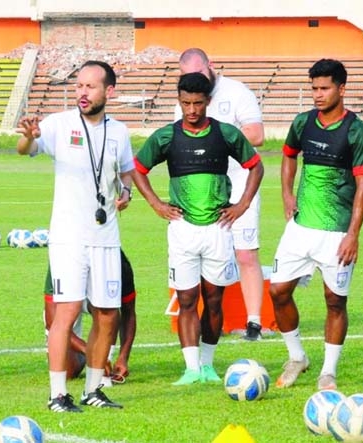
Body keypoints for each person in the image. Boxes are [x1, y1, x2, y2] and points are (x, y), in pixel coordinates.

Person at [16, 60, 135, 412]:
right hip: (68, 236)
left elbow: (126, 172)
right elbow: (26, 150)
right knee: (65, 312)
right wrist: (28, 136)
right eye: (79, 86)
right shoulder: (58, 124)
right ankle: (57, 395)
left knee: (107, 314)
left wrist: (126, 193)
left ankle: (94, 389)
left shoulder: (119, 132)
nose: (82, 92)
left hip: (106, 235)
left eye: (90, 86)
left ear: (108, 91)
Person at [134, 72, 264, 386]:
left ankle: (207, 365)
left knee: (214, 300)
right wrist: (156, 204)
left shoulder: (227, 134)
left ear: (208, 102)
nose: (191, 109)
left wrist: (242, 204)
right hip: (181, 230)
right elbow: (138, 169)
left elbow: (256, 165)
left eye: (197, 103)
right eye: (185, 103)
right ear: (179, 102)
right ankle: (191, 368)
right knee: (187, 298)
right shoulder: (166, 136)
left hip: (218, 229)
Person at [270, 59, 363, 391]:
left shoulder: (358, 132)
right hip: (300, 229)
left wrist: (353, 235)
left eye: (324, 88)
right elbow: (288, 156)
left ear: (341, 89)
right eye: (313, 88)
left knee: (334, 301)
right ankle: (297, 356)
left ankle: (328, 371)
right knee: (278, 291)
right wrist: (287, 193)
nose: (317, 94)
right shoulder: (302, 123)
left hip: (336, 234)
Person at [177, 48, 267, 341]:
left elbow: (256, 134)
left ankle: (254, 322)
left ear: (211, 66)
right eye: (188, 77)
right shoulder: (185, 99)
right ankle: (207, 323)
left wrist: (217, 138)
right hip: (200, 193)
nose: (195, 82)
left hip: (240, 184)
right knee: (202, 255)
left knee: (245, 253)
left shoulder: (237, 92)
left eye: (200, 74)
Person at [43, 249, 137, 382]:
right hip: (66, 303)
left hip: (96, 301)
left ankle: (106, 359)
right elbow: (52, 321)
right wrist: (88, 351)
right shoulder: (61, 261)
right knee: (68, 372)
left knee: (110, 311)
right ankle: (91, 356)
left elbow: (129, 313)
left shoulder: (119, 266)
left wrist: (123, 357)